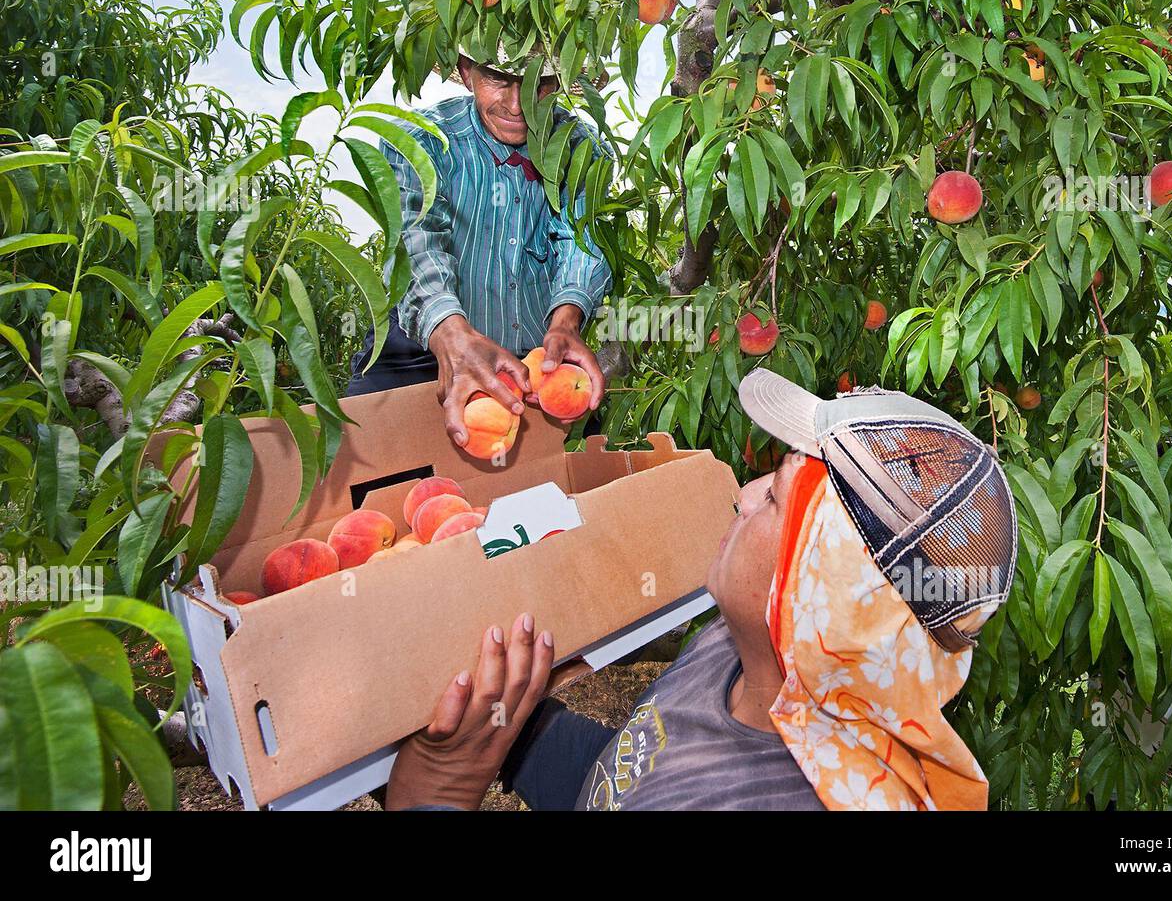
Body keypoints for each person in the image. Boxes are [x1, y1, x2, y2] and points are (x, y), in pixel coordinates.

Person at [384, 369, 1019, 811]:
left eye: (772, 498)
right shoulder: (737, 654)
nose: (742, 496)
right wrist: (514, 720)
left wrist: (432, 796)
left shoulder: (761, 796)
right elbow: (625, 776)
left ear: (812, 597)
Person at [346, 47, 612, 450]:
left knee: (564, 491)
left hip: (534, 360)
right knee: (371, 468)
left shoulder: (579, 148)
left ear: (557, 83)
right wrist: (452, 335)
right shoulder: (422, 142)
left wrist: (566, 321)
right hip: (423, 349)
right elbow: (416, 245)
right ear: (467, 73)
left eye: (537, 83)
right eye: (498, 79)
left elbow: (580, 239)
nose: (516, 105)